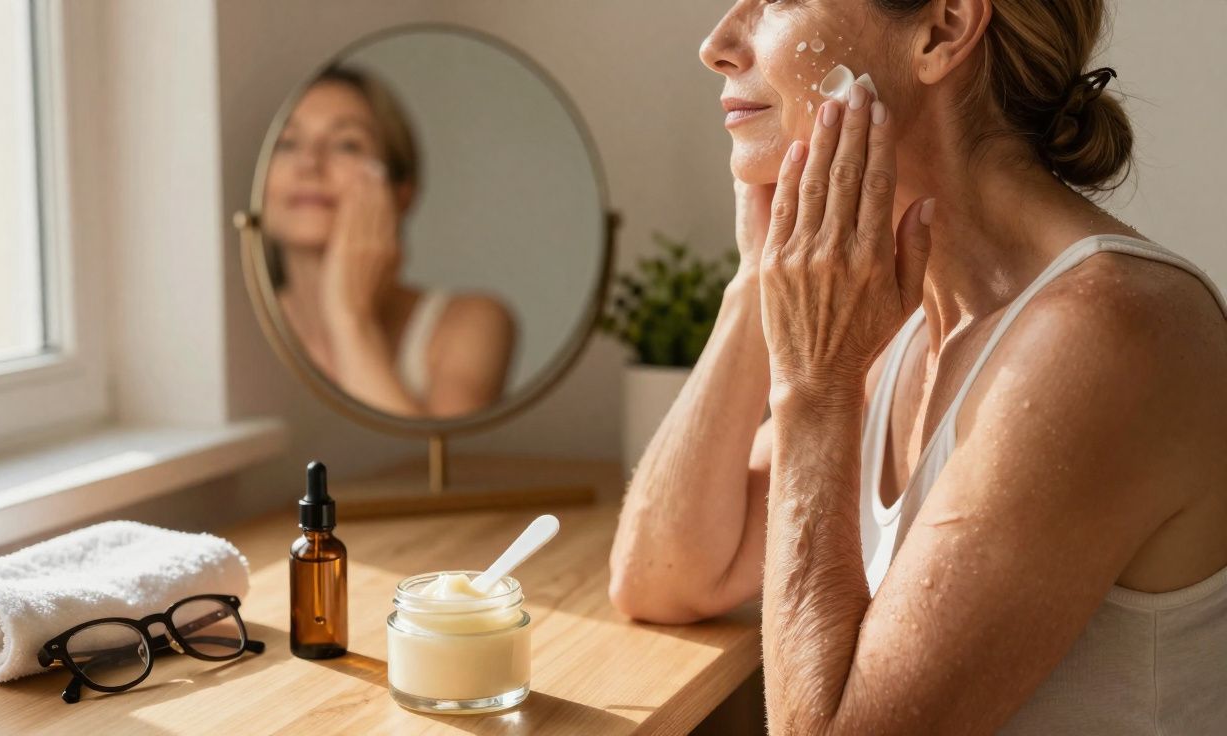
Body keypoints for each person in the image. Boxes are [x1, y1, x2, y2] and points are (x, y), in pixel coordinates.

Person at [609, 0, 1227, 732]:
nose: (718, 44)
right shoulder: (901, 314)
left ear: (942, 29)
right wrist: (758, 279)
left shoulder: (1108, 335)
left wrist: (814, 389)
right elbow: (664, 577)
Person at [262, 67, 515, 418]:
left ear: (401, 192)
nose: (309, 164)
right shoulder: (242, 331)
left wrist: (350, 318)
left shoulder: (472, 323)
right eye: (287, 144)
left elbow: (440, 464)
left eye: (345, 144)